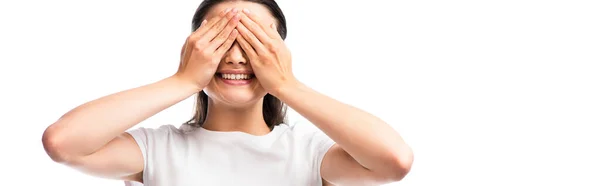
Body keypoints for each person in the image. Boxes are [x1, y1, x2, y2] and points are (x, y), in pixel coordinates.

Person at [41, 0, 414, 185]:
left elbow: (394, 161)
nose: (236, 57)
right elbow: (63, 143)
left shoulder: (310, 152)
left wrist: (286, 84)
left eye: (255, 42)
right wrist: (183, 80)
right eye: (220, 40)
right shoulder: (156, 149)